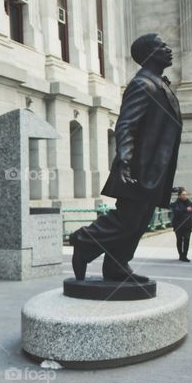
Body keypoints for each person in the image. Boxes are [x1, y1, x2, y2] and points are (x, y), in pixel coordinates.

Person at [70, 33, 182, 281]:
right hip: (139, 169)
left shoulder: (160, 84)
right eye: (162, 46)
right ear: (148, 54)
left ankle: (116, 265)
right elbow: (126, 126)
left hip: (155, 170)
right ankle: (84, 239)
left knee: (140, 221)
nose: (168, 49)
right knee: (128, 219)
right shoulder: (143, 84)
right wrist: (124, 161)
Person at [169, 187, 192, 262]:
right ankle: (180, 255)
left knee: (187, 239)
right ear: (179, 196)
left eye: (185, 194)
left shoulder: (190, 203)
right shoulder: (176, 204)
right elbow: (176, 211)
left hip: (188, 225)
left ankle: (185, 255)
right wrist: (186, 210)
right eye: (183, 195)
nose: (185, 196)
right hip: (178, 224)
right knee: (179, 239)